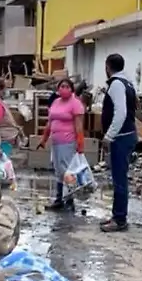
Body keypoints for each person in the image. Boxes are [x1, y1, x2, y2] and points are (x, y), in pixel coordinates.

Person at [100, 53, 138, 232]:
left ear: (108, 67)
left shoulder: (116, 84)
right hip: (127, 135)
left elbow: (120, 113)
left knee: (119, 179)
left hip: (121, 138)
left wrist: (109, 136)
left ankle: (120, 219)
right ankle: (118, 215)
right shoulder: (128, 83)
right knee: (119, 178)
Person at [37, 79, 86, 211]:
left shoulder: (75, 104)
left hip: (68, 142)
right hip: (56, 141)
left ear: (71, 89)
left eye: (66, 86)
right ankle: (59, 199)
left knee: (67, 171)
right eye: (61, 86)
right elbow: (50, 122)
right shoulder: (55, 102)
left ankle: (69, 200)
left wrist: (80, 143)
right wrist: (44, 139)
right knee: (58, 171)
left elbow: (79, 126)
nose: (63, 89)